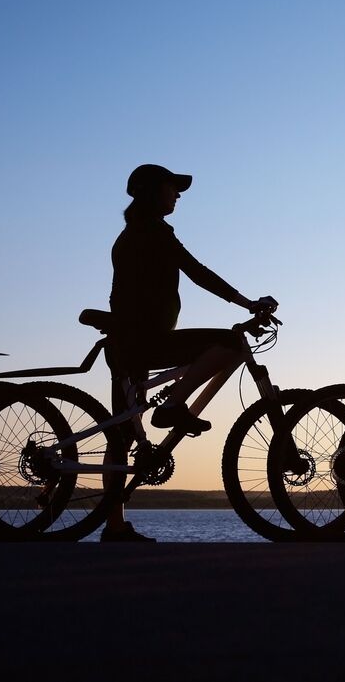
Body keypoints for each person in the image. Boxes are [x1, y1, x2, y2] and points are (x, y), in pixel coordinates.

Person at [103, 163, 275, 542]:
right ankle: (173, 406)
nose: (178, 195)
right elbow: (197, 272)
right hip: (143, 341)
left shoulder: (135, 232)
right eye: (172, 188)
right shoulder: (152, 232)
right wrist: (246, 303)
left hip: (127, 343)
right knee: (230, 343)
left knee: (121, 435)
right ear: (153, 193)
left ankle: (114, 525)